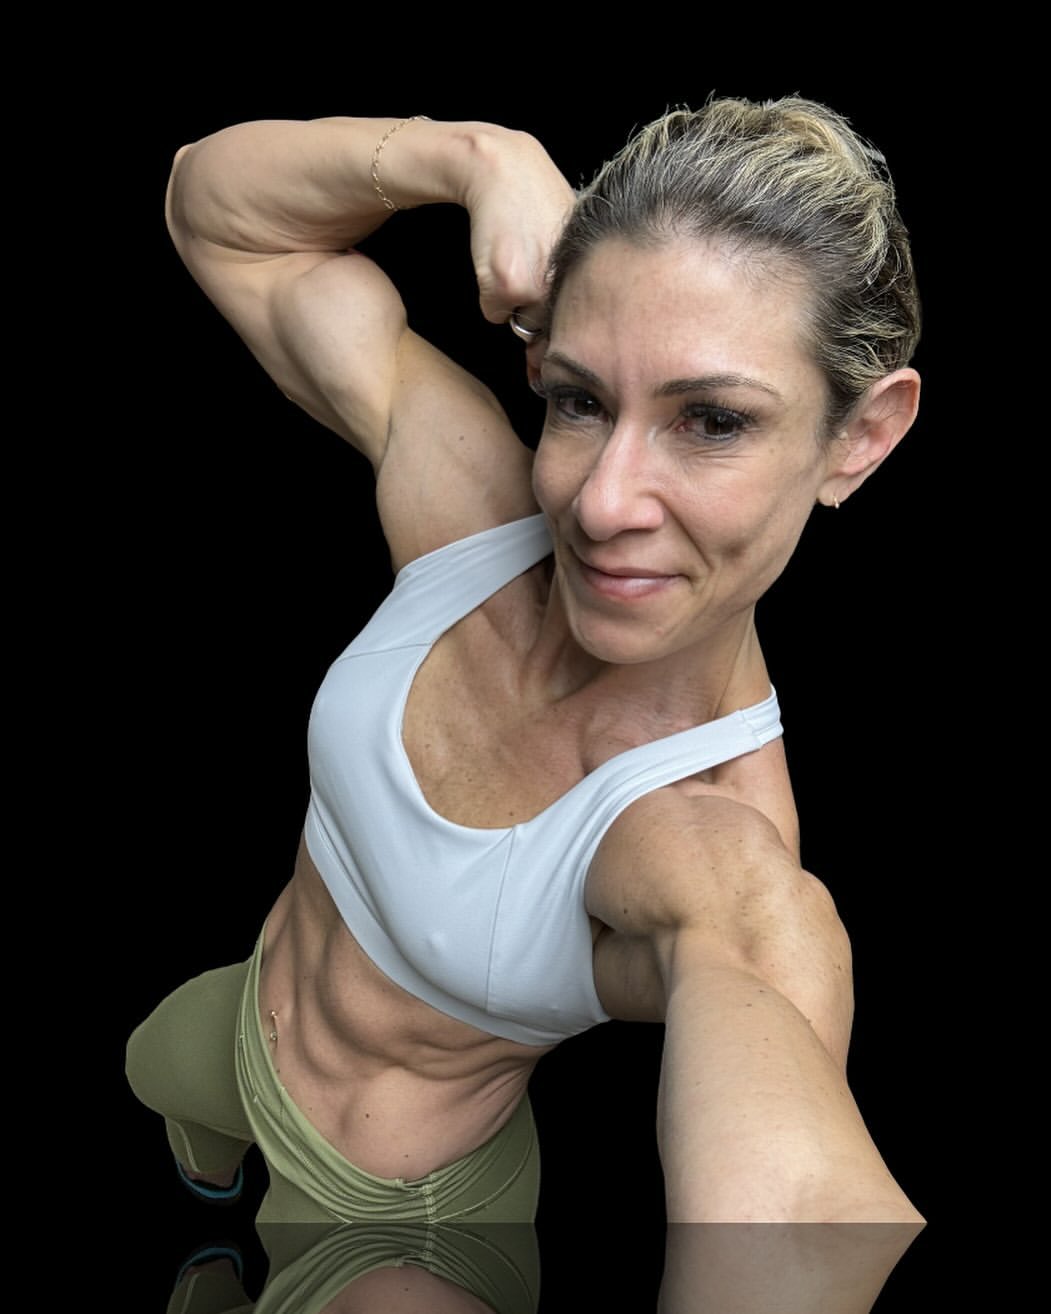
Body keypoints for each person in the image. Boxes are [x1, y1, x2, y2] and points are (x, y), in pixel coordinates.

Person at [127, 98, 924, 1230]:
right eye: (579, 401)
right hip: (229, 1019)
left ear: (860, 438)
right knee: (155, 1073)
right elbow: (215, 212)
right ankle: (205, 1159)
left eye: (710, 421)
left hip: (386, 1213)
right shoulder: (471, 516)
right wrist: (471, 155)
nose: (599, 505)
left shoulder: (710, 834)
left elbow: (790, 1202)